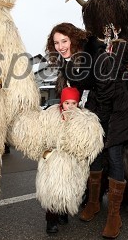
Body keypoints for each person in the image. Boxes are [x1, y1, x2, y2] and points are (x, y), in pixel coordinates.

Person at [46, 21, 128, 239]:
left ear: (73, 39)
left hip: (117, 107)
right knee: (95, 155)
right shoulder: (68, 61)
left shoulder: (93, 50)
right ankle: (94, 203)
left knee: (113, 155)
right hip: (98, 103)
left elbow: (103, 81)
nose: (60, 46)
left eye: (64, 41)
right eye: (56, 42)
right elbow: (79, 85)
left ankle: (114, 215)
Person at [42, 86, 81, 234]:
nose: (70, 106)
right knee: (52, 191)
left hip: (73, 161)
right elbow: (43, 138)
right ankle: (51, 219)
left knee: (70, 189)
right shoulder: (51, 117)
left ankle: (63, 211)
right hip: (54, 160)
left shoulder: (83, 119)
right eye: (67, 103)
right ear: (61, 103)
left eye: (74, 103)